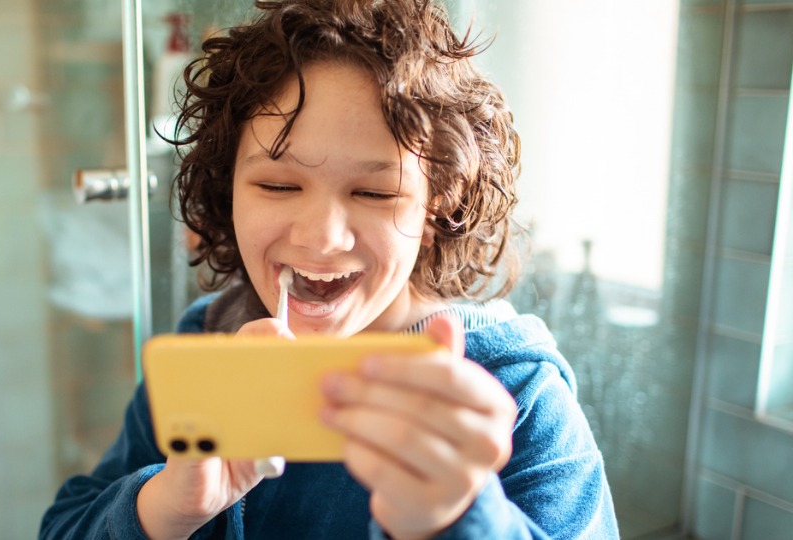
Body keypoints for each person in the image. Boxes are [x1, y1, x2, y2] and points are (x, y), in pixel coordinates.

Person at [41, 0, 619, 538]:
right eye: (278, 184)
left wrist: (457, 518)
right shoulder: (210, 349)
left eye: (373, 192)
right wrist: (168, 504)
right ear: (227, 188)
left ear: (437, 204)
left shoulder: (522, 394)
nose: (320, 236)